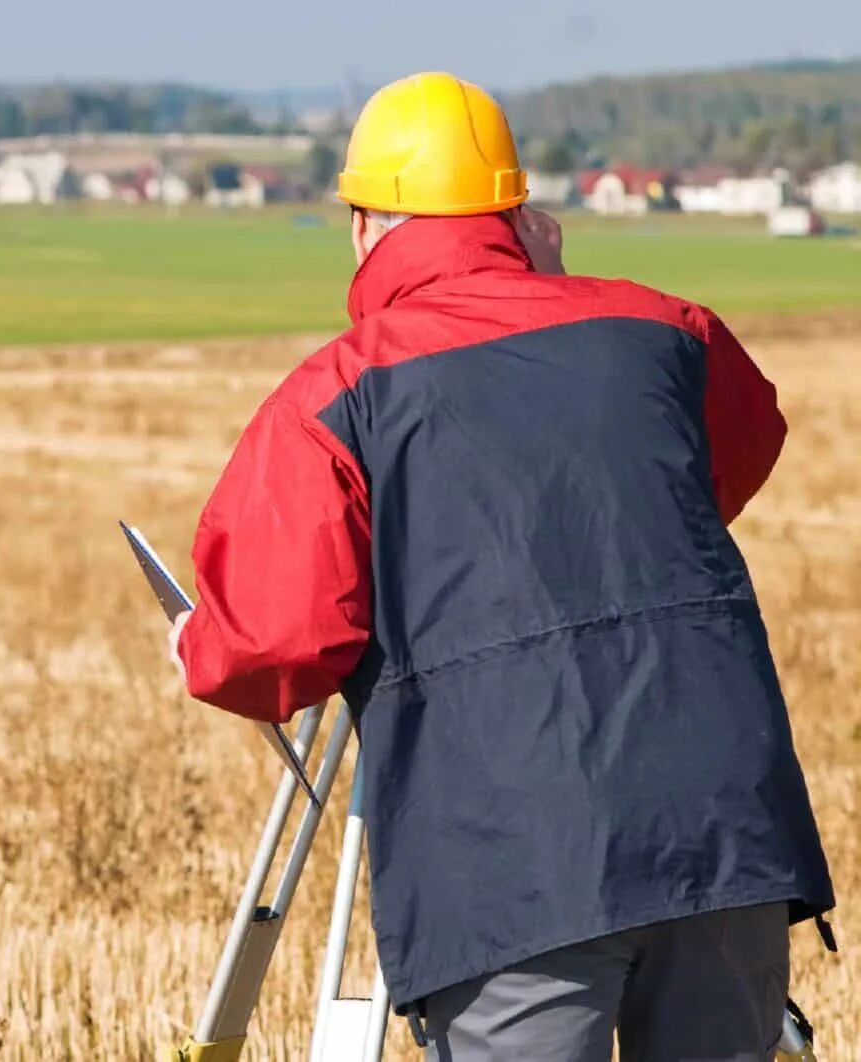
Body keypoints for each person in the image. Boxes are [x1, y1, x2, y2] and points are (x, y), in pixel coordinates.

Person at [169, 72, 833, 1060]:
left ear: (363, 225)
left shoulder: (334, 397)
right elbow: (710, 473)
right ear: (521, 215)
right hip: (725, 832)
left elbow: (275, 646)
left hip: (513, 870)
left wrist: (194, 639)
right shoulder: (670, 333)